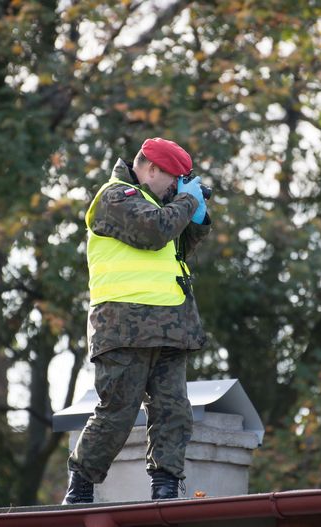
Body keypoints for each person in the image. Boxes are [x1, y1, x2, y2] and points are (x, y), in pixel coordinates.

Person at [62, 137, 211, 504]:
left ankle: (165, 487)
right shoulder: (115, 197)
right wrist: (187, 199)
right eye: (173, 179)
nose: (175, 187)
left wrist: (199, 215)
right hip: (124, 327)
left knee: (174, 411)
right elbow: (155, 233)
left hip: (171, 326)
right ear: (151, 169)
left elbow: (177, 244)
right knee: (118, 413)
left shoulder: (155, 201)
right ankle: (80, 489)